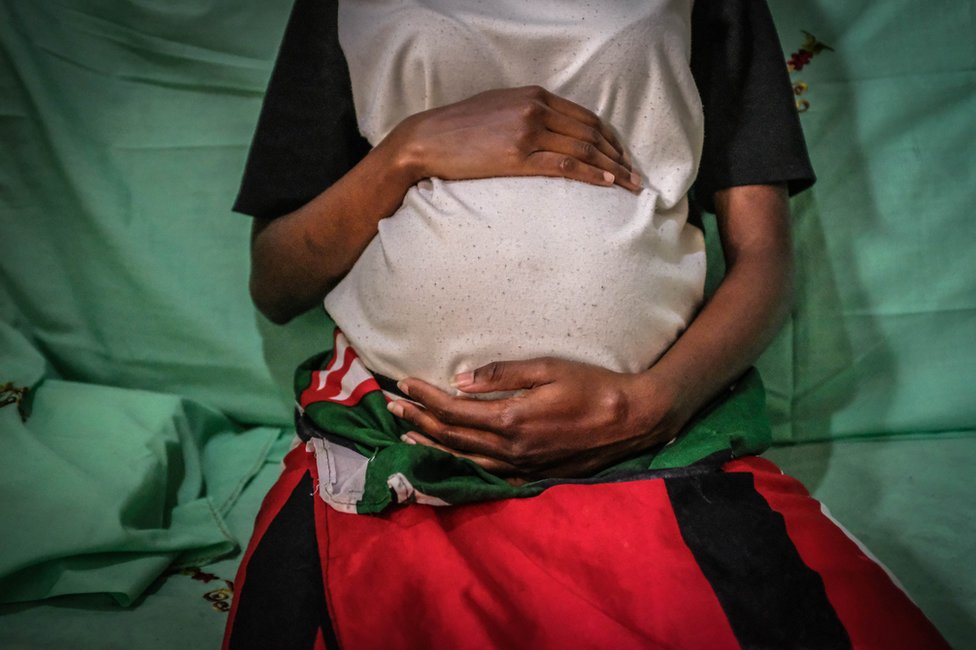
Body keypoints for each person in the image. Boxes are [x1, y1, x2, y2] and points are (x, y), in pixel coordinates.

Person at [223, 1, 949, 647]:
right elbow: (277, 281)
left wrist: (650, 405)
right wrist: (409, 149)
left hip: (660, 439)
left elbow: (766, 259)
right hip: (402, 436)